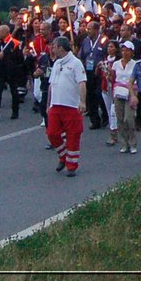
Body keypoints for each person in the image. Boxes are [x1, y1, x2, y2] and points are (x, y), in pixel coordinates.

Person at [46, 35, 87, 176]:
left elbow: (82, 83)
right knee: (52, 133)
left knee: (73, 135)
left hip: (71, 105)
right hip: (56, 105)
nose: (52, 49)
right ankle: (63, 156)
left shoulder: (76, 63)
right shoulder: (57, 63)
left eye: (54, 46)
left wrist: (82, 101)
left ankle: (71, 164)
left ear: (61, 48)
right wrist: (49, 103)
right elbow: (51, 85)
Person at [109, 42, 139, 154]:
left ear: (131, 52)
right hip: (119, 91)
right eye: (123, 50)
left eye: (127, 50)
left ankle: (132, 142)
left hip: (130, 91)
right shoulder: (116, 64)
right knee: (120, 118)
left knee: (129, 118)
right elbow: (113, 77)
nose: (124, 53)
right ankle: (124, 143)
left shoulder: (135, 64)